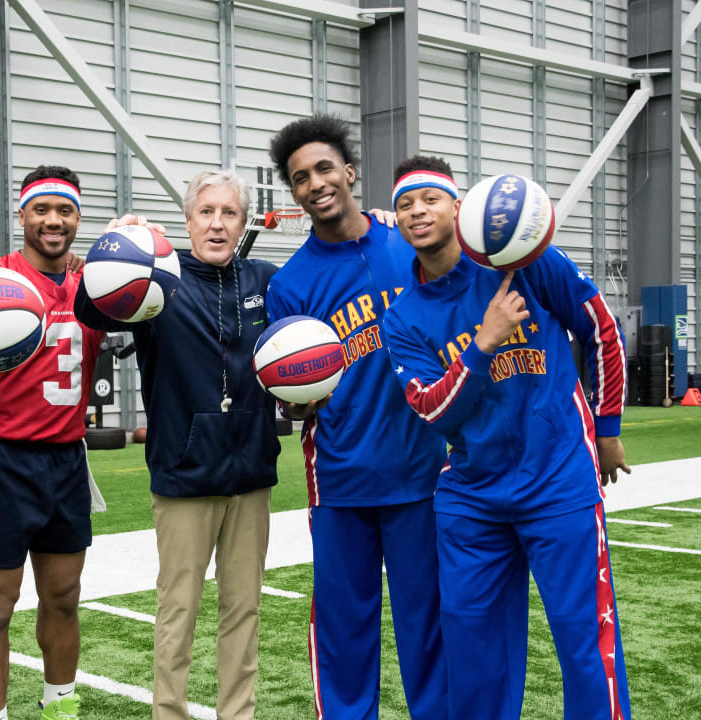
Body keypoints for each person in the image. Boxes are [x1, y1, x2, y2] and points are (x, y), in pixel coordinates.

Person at [380, 156, 631, 720]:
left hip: (557, 480)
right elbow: (433, 410)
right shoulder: (403, 317)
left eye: (430, 199)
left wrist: (607, 428)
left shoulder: (523, 259)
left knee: (585, 644)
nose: (418, 211)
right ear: (396, 221)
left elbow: (601, 328)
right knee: (474, 658)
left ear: (457, 206)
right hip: (471, 499)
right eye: (404, 204)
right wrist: (484, 342)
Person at [73, 169, 280, 720]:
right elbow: (89, 309)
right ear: (188, 220)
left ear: (242, 222)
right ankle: (170, 713)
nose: (217, 223)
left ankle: (240, 713)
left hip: (252, 474)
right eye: (206, 212)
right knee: (178, 611)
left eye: (228, 213)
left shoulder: (265, 279)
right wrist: (113, 250)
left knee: (245, 611)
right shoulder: (155, 283)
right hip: (184, 473)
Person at [264, 115, 449, 719]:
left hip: (426, 471)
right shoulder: (291, 284)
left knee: (429, 625)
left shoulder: (408, 243)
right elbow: (289, 398)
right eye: (299, 178)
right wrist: (291, 396)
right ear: (292, 194)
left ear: (349, 172)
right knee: (344, 631)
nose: (314, 183)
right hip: (341, 477)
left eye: (323, 169)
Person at [0, 165, 104, 720]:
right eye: (41, 209)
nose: (53, 220)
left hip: (64, 457)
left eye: (65, 210)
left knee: (64, 596)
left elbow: (159, 275)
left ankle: (60, 707)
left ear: (78, 218)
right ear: (23, 216)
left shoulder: (97, 283)